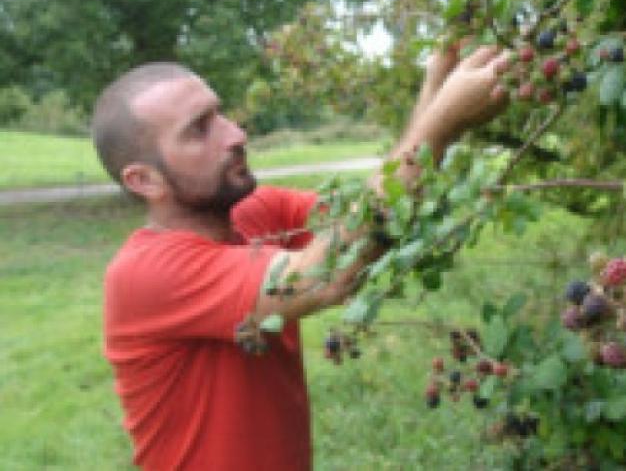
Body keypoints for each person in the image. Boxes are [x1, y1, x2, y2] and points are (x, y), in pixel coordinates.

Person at [91, 42, 511, 470]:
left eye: (219, 113)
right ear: (144, 180)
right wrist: (441, 122)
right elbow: (329, 272)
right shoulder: (146, 274)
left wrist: (434, 99)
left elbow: (374, 215)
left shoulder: (255, 213)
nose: (235, 134)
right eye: (200, 129)